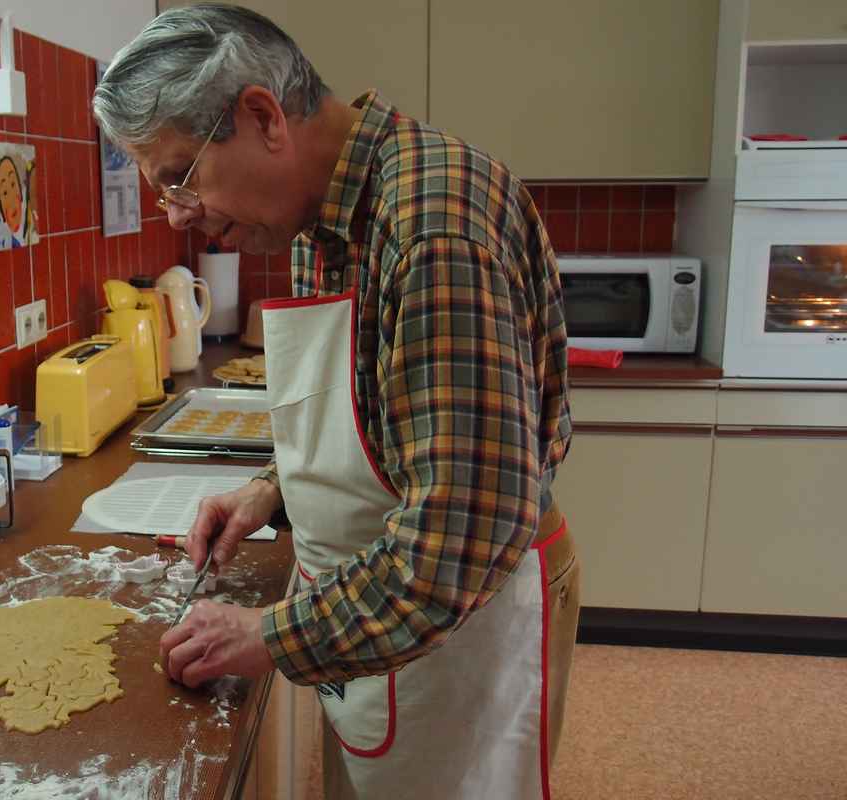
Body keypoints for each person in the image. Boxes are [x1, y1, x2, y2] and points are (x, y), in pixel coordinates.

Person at [93, 5, 579, 798]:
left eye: (178, 176)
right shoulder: (321, 220)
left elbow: (461, 535)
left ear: (260, 117)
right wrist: (274, 492)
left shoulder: (432, 229)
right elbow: (384, 416)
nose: (179, 214)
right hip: (372, 603)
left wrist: (272, 635)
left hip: (461, 615)